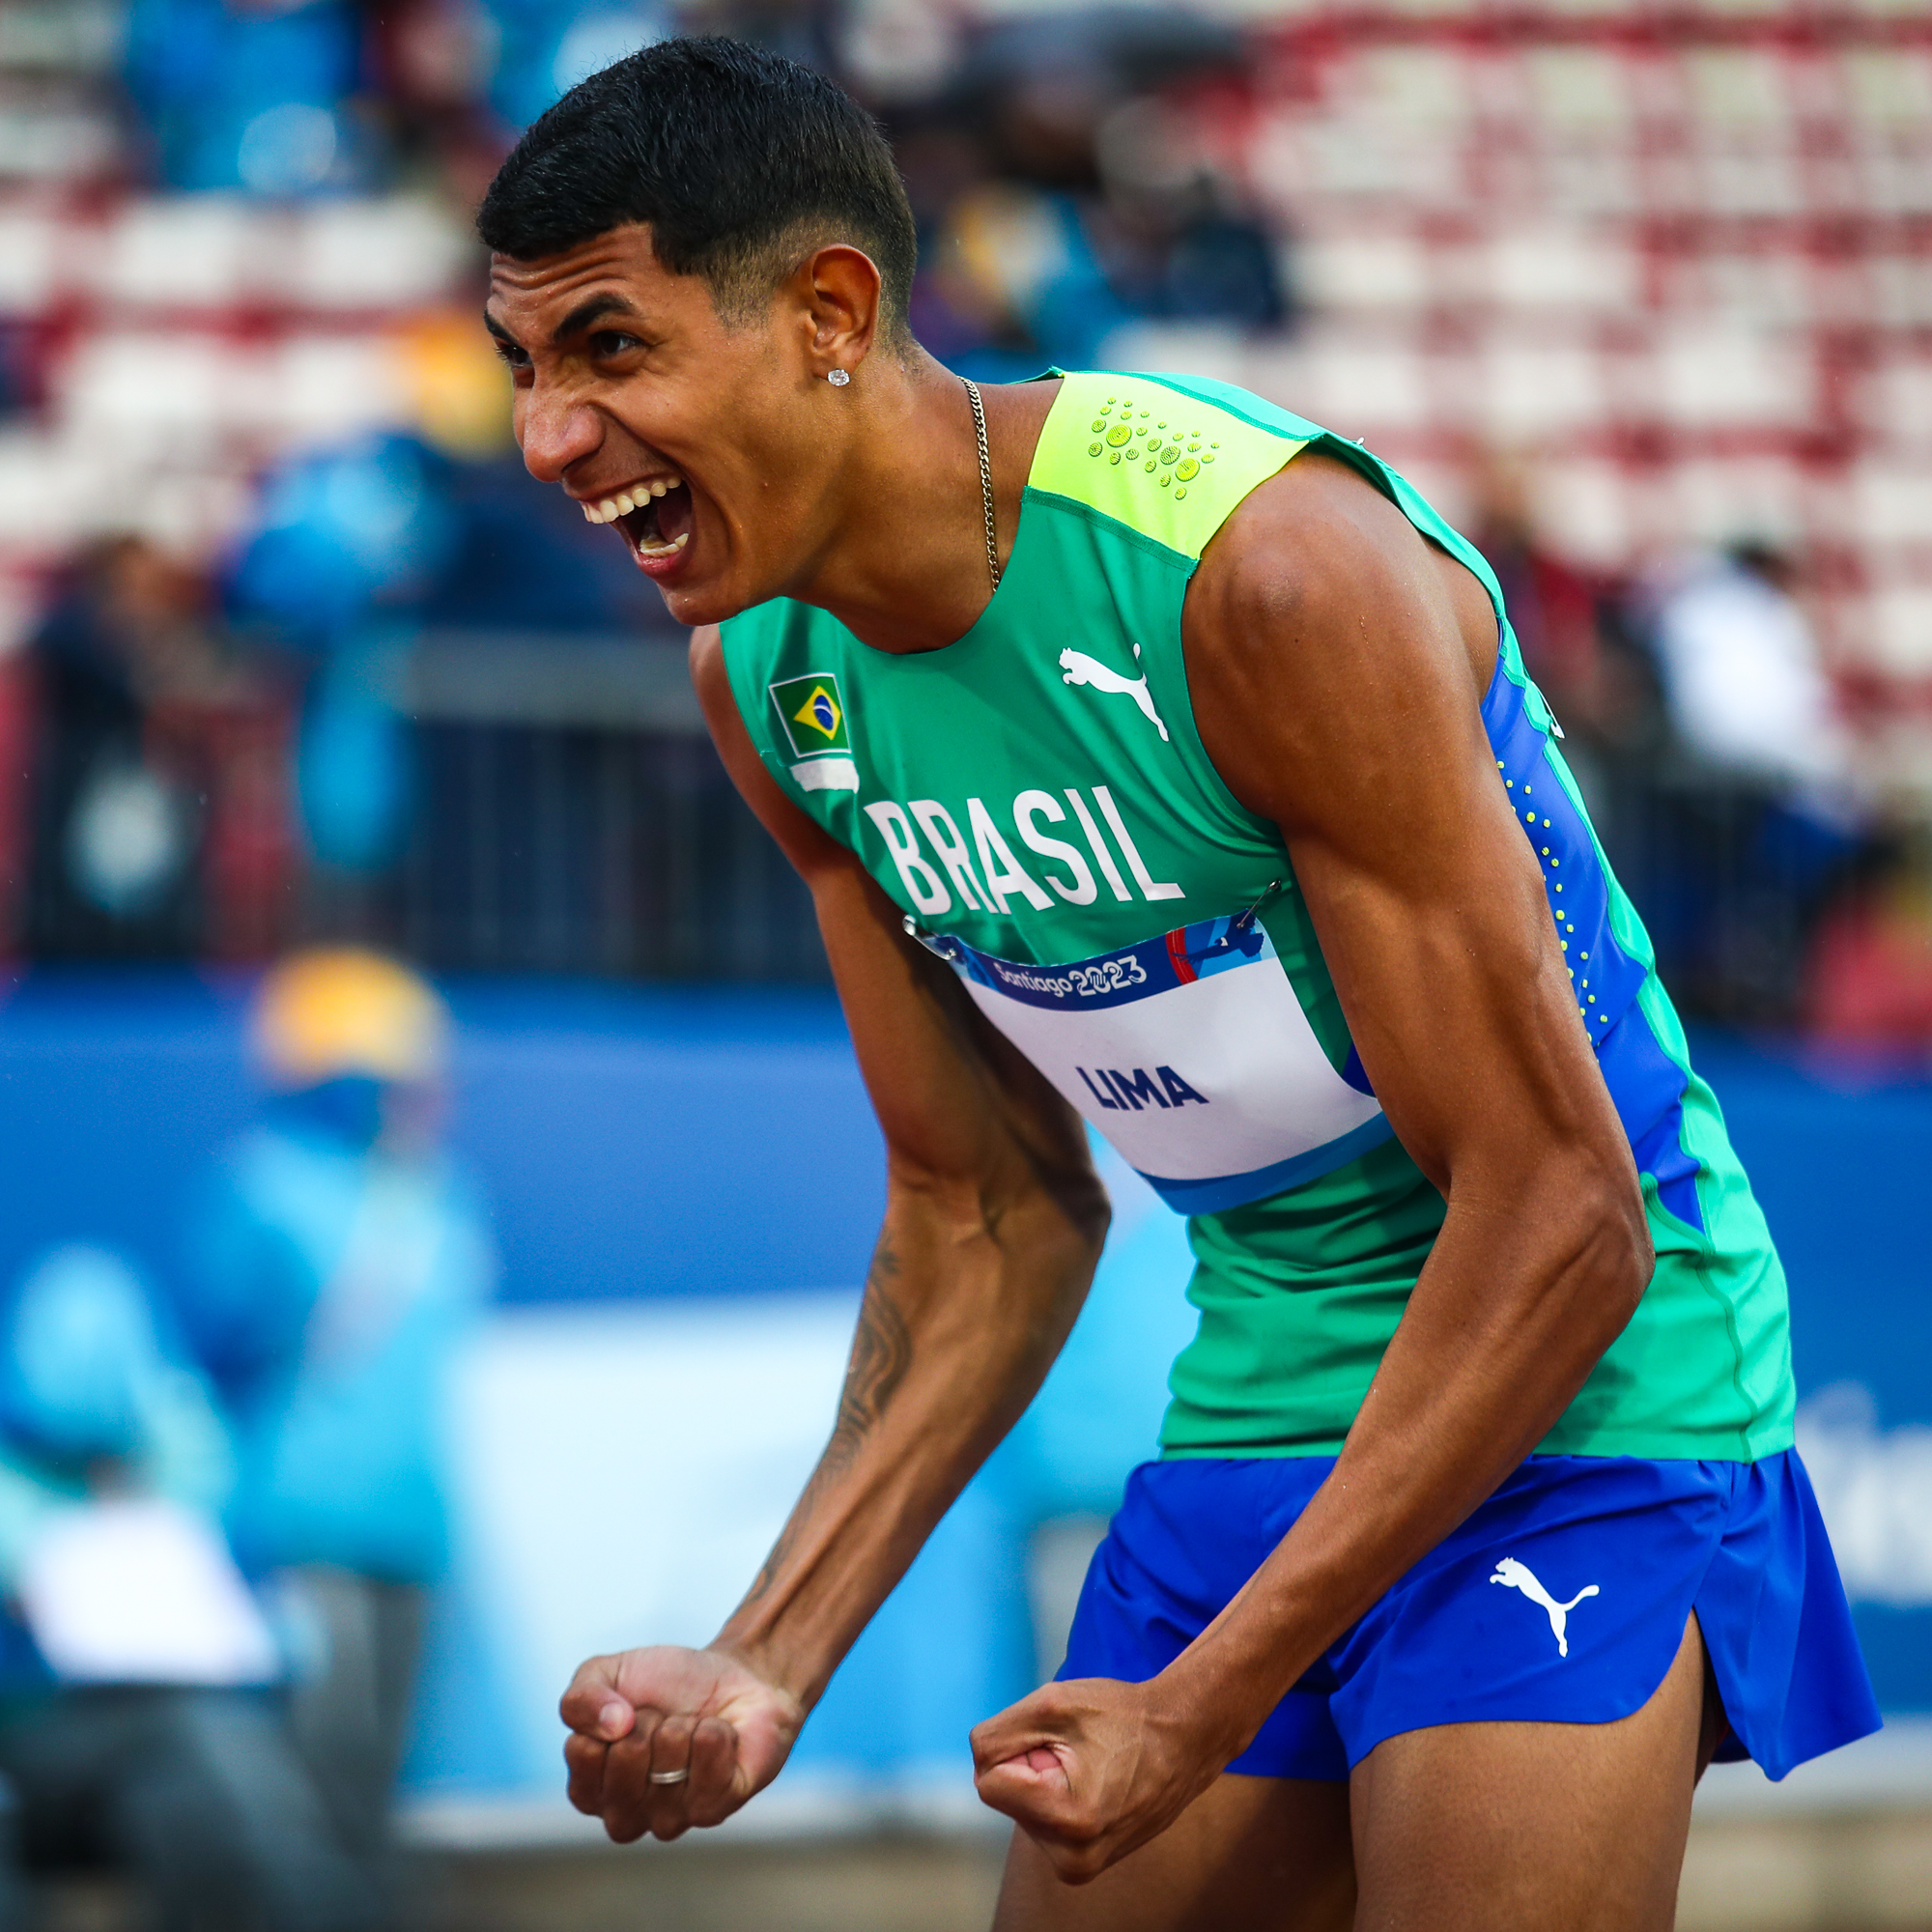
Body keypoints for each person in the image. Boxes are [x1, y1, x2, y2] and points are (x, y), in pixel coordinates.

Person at [476, 40, 1879, 1930]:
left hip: (1588, 1396)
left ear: (829, 312)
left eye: (610, 349)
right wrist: (769, 1656)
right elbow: (985, 1208)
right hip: (1265, 1394)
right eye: (526, 369)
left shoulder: (1267, 582)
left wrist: (1203, 1699)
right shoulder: (769, 681)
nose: (549, 436)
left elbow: (1563, 1217)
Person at [179, 949, 493, 1904]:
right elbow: (219, 1340)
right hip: (304, 1524)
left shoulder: (443, 1194)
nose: (424, 1092)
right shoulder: (264, 1185)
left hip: (413, 1526)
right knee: (313, 1776)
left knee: (378, 1780)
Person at [0, 1246, 384, 1932]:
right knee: (209, 1755)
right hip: (40, 1743)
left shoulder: (179, 1438)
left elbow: (219, 1557)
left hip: (173, 1738)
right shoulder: (11, 1478)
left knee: (199, 1802)